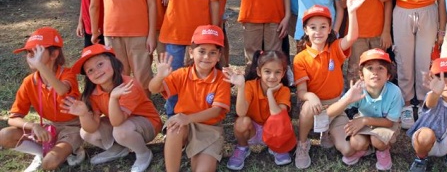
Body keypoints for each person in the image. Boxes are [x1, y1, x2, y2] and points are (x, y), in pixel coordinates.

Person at [379, 0, 444, 130]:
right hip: (403, 12)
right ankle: (406, 102)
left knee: (425, 59)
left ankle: (425, 101)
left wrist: (442, 27)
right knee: (404, 58)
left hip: (428, 11)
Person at [292, 0, 368, 169]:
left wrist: (353, 12)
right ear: (305, 30)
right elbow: (302, 92)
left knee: (348, 149)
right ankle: (303, 143)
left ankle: (326, 130)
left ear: (329, 29)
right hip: (315, 107)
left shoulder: (334, 48)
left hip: (336, 106)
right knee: (308, 106)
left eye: (323, 27)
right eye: (313, 27)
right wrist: (311, 97)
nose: (318, 32)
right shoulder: (300, 58)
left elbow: (352, 37)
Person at [63, 44, 161, 172]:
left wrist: (114, 98)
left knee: (120, 130)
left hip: (147, 125)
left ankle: (143, 153)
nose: (96, 71)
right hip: (121, 124)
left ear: (113, 62)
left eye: (100, 64)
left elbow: (117, 122)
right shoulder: (92, 93)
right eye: (90, 70)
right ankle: (118, 149)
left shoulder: (128, 85)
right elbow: (91, 128)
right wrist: (83, 114)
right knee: (85, 132)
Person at [149, 26, 231, 172]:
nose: (206, 57)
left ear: (219, 56)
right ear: (191, 52)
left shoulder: (222, 79)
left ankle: (198, 152)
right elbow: (153, 89)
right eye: (201, 51)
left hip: (209, 129)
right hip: (184, 124)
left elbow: (216, 111)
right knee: (174, 128)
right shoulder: (182, 73)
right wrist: (159, 76)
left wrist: (188, 118)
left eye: (212, 53)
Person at [1, 27, 83, 172]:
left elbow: (62, 89)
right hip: (49, 127)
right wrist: (34, 126)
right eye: (28, 52)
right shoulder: (29, 82)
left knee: (49, 164)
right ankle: (41, 153)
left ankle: (75, 149)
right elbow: (13, 118)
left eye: (37, 51)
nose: (31, 56)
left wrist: (39, 65)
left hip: (72, 128)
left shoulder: (67, 74)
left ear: (54, 54)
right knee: (5, 135)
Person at [325, 49, 404, 171]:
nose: (375, 72)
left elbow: (389, 122)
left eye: (381, 68)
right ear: (361, 75)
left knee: (378, 140)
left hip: (385, 124)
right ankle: (366, 148)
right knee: (356, 143)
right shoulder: (358, 89)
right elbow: (330, 112)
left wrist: (364, 120)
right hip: (364, 122)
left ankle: (382, 150)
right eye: (370, 68)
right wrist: (348, 100)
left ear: (388, 76)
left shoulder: (395, 92)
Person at [224, 50, 295, 169]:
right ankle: (242, 148)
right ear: (259, 72)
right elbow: (241, 113)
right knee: (241, 122)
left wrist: (270, 93)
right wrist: (241, 87)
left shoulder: (284, 90)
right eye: (267, 71)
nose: (272, 77)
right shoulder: (250, 86)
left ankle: (276, 148)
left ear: (283, 74)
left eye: (277, 72)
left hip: (274, 132)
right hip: (253, 130)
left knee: (282, 121)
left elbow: (277, 115)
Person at [406, 57, 447, 172]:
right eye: (441, 80)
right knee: (425, 135)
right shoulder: (433, 96)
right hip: (427, 140)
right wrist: (436, 93)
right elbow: (430, 103)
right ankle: (421, 159)